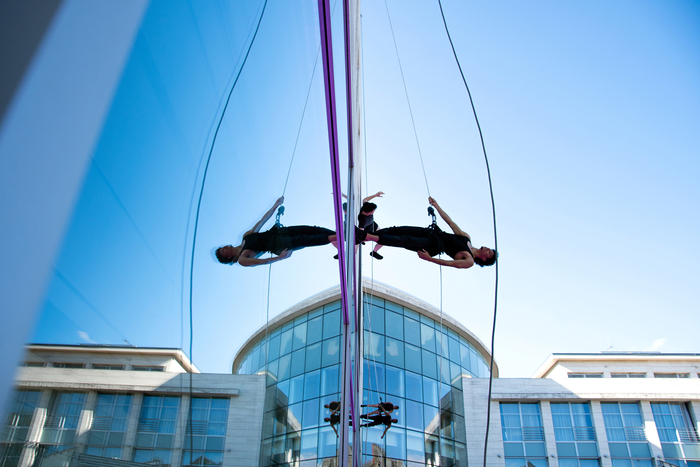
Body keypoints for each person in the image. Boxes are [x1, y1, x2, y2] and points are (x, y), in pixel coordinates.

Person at [363, 197, 497, 269]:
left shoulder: (469, 261)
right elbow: (450, 222)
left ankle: (367, 236)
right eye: (490, 249)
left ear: (484, 258)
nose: (487, 248)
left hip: (432, 245)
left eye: (489, 252)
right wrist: (437, 206)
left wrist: (429, 259)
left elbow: (448, 263)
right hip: (431, 233)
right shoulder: (467, 238)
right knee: (398, 229)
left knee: (403, 240)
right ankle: (366, 236)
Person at [215, 196, 336, 267]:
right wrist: (280, 258)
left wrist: (275, 205)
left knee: (313, 229)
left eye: (222, 247)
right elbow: (263, 261)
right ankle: (341, 237)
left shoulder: (246, 236)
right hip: (280, 244)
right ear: (227, 256)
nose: (224, 247)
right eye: (223, 250)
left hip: (280, 232)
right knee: (309, 240)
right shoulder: (242, 259)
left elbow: (262, 221)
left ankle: (338, 237)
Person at [337, 191, 385, 259]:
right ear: (368, 213)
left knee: (384, 238)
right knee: (382, 240)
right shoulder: (363, 221)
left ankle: (374, 252)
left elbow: (365, 199)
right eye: (373, 211)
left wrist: (375, 195)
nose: (374, 211)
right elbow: (360, 233)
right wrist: (359, 242)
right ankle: (346, 254)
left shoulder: (365, 207)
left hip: (373, 225)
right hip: (368, 231)